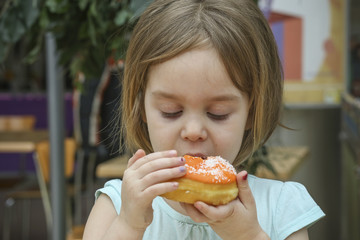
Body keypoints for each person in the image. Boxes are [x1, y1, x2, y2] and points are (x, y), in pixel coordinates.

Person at [83, 0, 325, 239]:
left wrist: (247, 235)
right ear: (141, 108)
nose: (193, 131)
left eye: (218, 113)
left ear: (251, 113)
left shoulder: (279, 208)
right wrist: (129, 225)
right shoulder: (114, 207)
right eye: (171, 111)